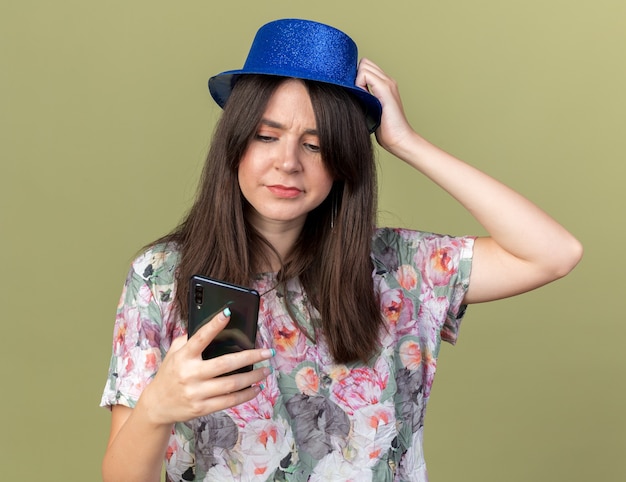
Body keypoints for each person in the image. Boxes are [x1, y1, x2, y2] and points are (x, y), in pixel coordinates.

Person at [100, 18, 583, 482]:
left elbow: (553, 253)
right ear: (235, 144)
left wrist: (407, 143)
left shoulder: (397, 271)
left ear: (343, 161)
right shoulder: (161, 277)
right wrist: (156, 408)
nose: (287, 162)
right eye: (267, 136)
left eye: (315, 145)